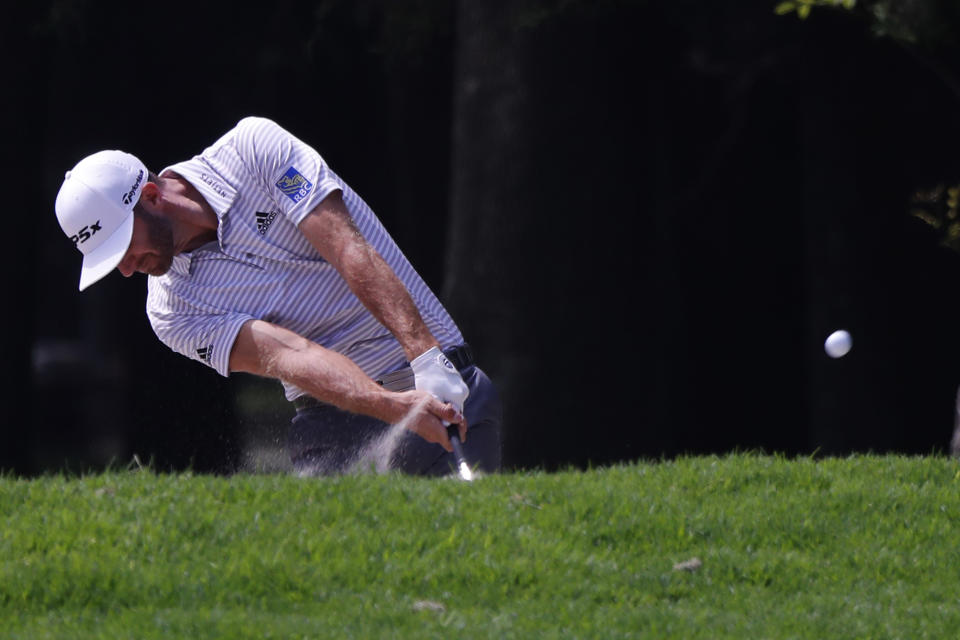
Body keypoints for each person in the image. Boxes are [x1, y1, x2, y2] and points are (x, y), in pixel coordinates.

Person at [54, 116, 502, 476]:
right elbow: (289, 354)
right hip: (333, 426)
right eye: (113, 263)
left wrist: (425, 358)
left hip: (442, 384)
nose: (127, 269)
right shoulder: (171, 311)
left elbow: (348, 248)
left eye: (124, 248)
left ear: (151, 196)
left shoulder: (254, 151)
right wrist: (395, 407)